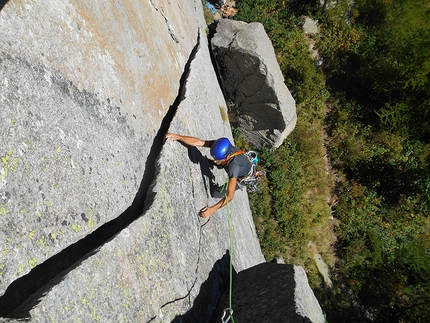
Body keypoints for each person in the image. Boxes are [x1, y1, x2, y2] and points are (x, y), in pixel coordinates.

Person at [165, 132, 252, 218]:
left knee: (215, 193)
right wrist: (178, 137)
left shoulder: (233, 168)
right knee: (217, 163)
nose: (214, 160)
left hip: (242, 177)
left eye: (217, 159)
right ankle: (220, 163)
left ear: (227, 157)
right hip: (238, 162)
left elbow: (230, 196)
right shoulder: (220, 147)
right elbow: (199, 142)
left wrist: (212, 209)